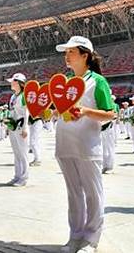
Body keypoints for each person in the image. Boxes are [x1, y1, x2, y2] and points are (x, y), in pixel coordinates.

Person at [55, 36, 115, 253]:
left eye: (71, 52)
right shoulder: (64, 83)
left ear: (85, 55)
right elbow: (60, 110)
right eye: (66, 53)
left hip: (87, 147)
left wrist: (87, 111)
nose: (67, 56)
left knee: (92, 193)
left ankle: (91, 239)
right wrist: (49, 112)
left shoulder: (97, 81)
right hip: (64, 144)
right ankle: (75, 236)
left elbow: (110, 114)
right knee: (73, 193)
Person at [6, 73, 30, 187]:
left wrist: (25, 128)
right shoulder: (13, 96)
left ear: (20, 83)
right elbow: (11, 111)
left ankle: (24, 178)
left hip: (21, 125)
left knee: (23, 153)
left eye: (13, 81)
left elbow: (26, 112)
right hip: (13, 126)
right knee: (16, 153)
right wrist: (8, 124)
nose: (11, 83)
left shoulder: (24, 95)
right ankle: (17, 176)